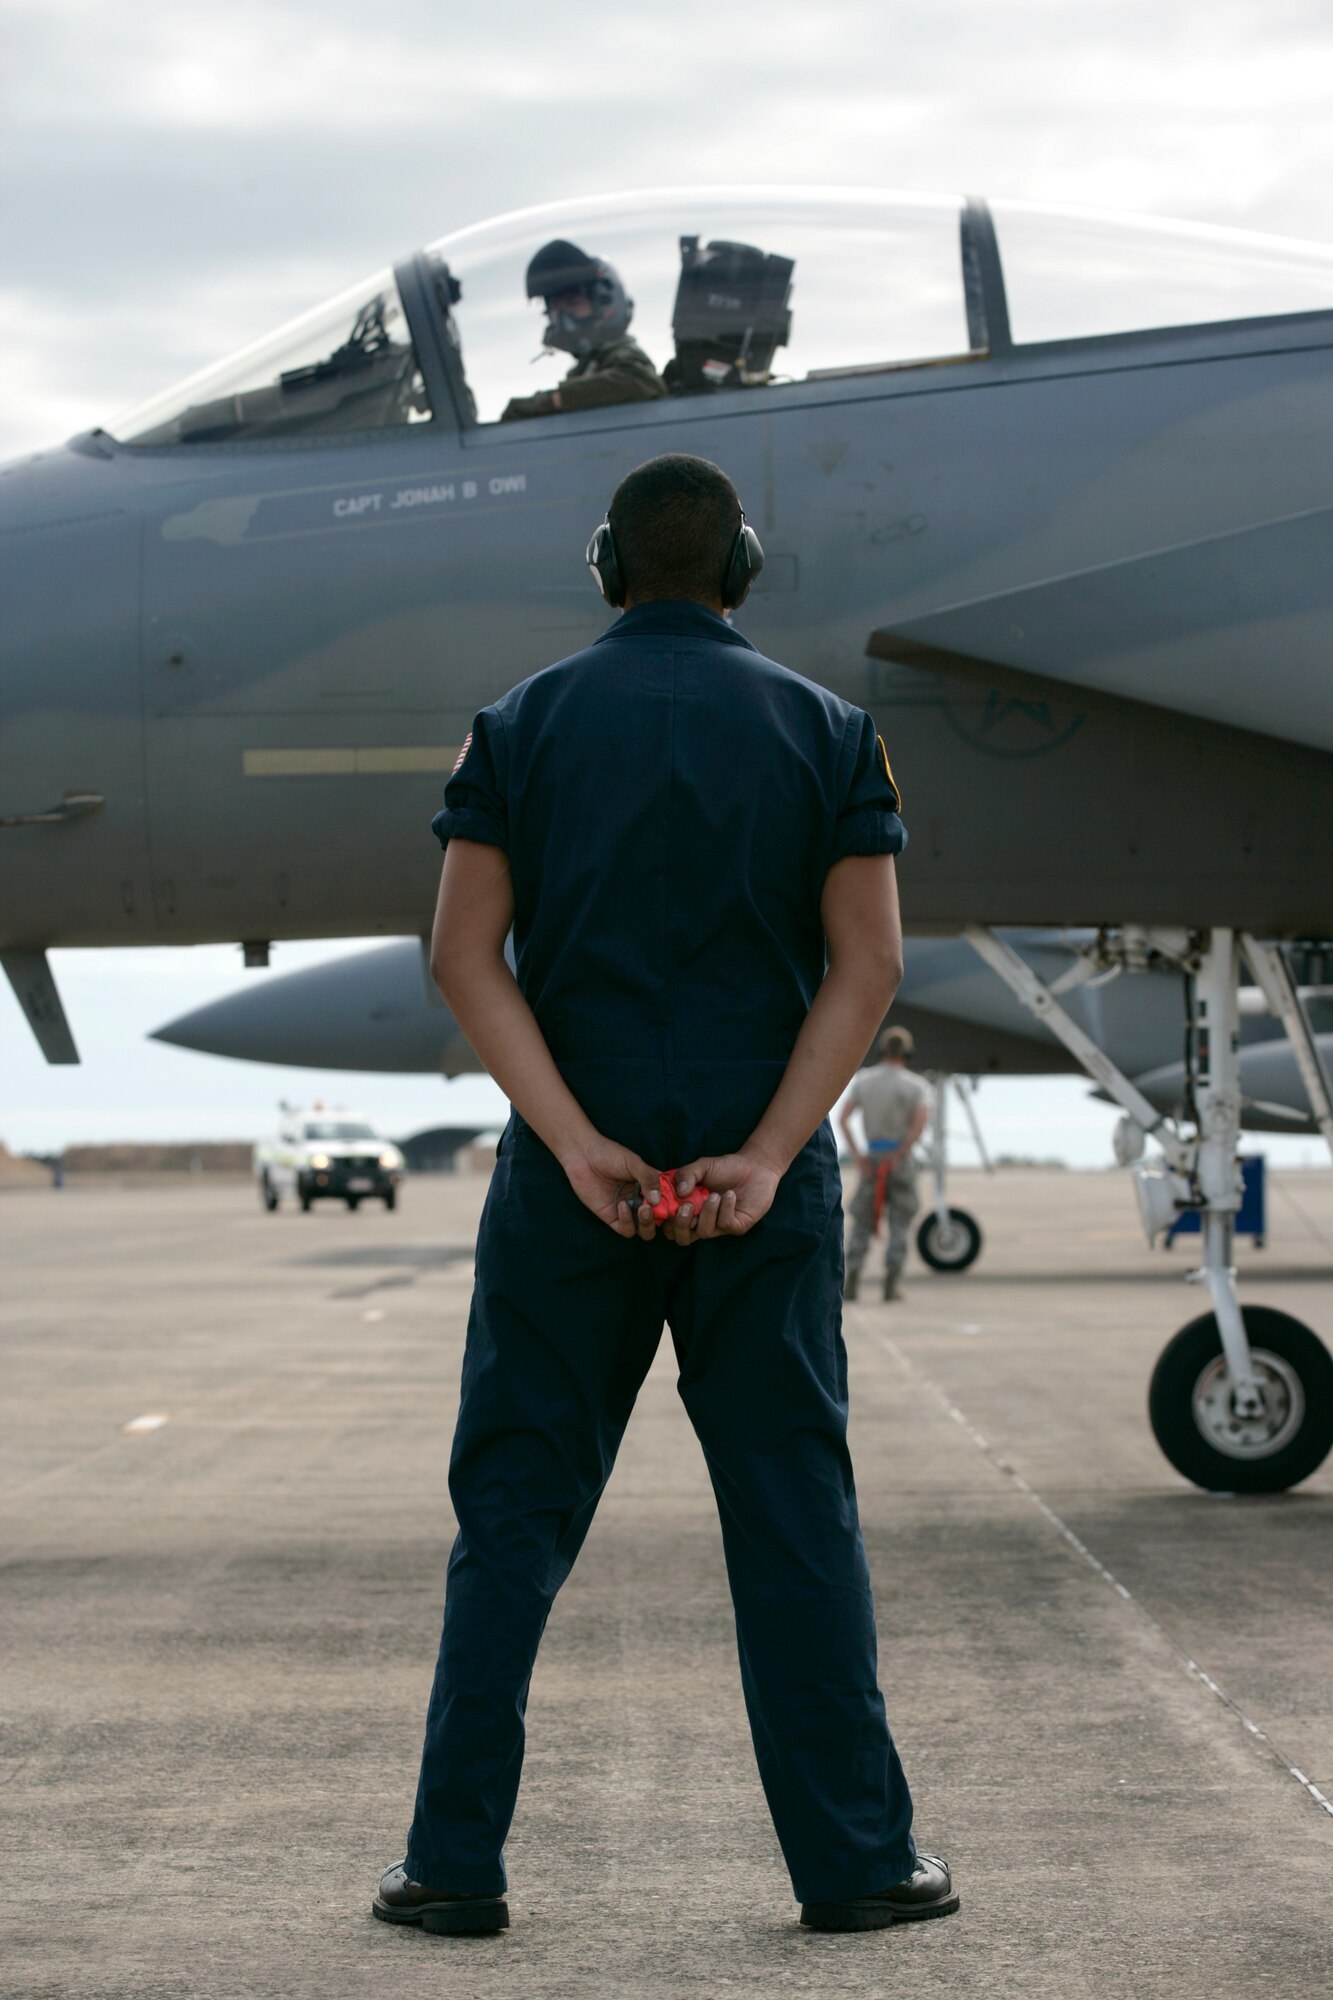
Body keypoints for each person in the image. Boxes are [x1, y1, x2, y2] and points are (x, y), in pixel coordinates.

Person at [373, 453, 957, 1938]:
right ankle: (857, 1867)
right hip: (760, 1188)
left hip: (575, 1181)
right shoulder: (833, 733)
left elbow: (461, 958)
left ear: (606, 568)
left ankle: (452, 1868)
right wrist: (765, 1155)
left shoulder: (519, 727)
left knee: (512, 1513)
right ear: (741, 568)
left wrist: (574, 1145)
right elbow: (869, 965)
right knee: (791, 1515)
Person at [500, 239, 666, 421]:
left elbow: (640, 381)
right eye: (555, 310)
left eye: (573, 304)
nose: (562, 320)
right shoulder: (586, 370)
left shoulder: (622, 355)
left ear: (604, 303)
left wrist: (548, 402)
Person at [839, 1026, 931, 1302]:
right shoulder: (916, 1085)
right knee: (900, 1223)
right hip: (899, 1162)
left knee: (862, 1223)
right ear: (908, 1052)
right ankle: (891, 1284)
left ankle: (852, 1281)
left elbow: (843, 1118)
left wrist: (858, 1156)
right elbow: (920, 1123)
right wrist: (901, 1152)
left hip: (872, 1159)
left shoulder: (864, 1081)